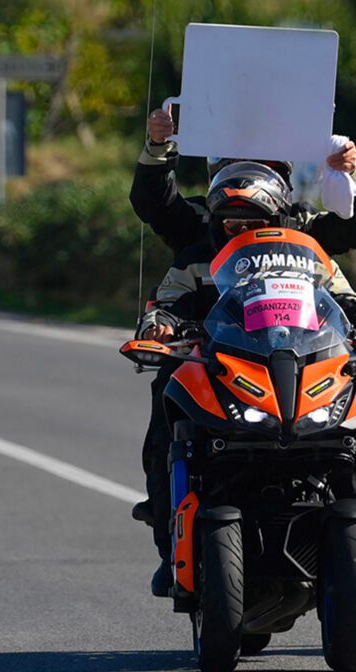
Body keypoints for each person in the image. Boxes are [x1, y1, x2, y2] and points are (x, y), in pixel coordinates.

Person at [136, 161, 356, 597]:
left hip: (305, 370)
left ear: (276, 219)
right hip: (223, 371)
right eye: (231, 223)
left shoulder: (310, 253)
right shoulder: (195, 259)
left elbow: (346, 302)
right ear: (215, 222)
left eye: (253, 223)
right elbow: (166, 305)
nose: (241, 231)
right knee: (168, 403)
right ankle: (168, 544)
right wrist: (158, 326)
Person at [130, 107, 356, 256]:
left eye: (257, 226)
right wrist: (158, 145)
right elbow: (153, 203)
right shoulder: (198, 219)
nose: (245, 231)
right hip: (209, 318)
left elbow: (349, 229)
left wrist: (348, 171)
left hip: (287, 318)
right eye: (233, 225)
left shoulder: (299, 224)